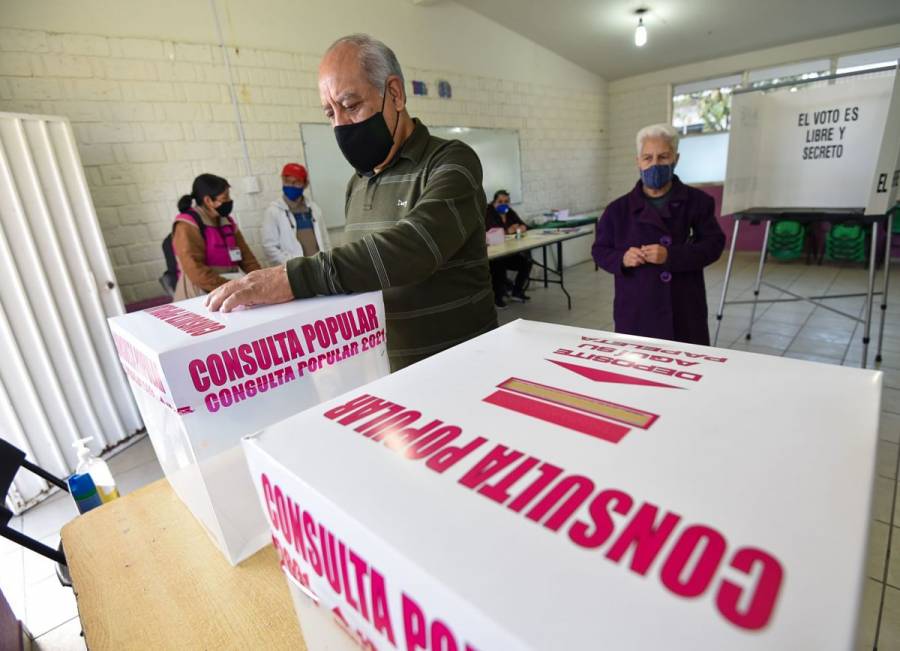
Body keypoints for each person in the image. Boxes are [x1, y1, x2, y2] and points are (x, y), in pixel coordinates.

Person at [207, 34, 496, 371]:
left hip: (465, 365)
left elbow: (415, 248)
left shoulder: (451, 161)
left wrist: (292, 278)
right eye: (330, 113)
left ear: (395, 94)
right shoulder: (356, 184)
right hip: (390, 373)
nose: (340, 125)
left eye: (351, 105)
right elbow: (363, 272)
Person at [592, 123, 725, 345]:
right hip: (636, 309)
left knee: (684, 368)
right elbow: (599, 250)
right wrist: (622, 259)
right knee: (637, 372)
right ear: (638, 161)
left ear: (676, 159)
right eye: (648, 158)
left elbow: (714, 245)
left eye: (663, 157)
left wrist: (670, 256)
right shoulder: (617, 210)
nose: (655, 164)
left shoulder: (698, 202)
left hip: (683, 306)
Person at [171, 173, 260, 301]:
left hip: (229, 285)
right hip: (201, 291)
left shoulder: (227, 222)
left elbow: (248, 260)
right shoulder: (187, 225)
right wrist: (230, 287)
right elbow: (195, 270)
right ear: (208, 201)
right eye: (225, 197)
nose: (229, 201)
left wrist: (262, 280)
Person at [261, 163, 331, 266]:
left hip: (318, 266)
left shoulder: (314, 209)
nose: (291, 186)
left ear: (305, 184)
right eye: (287, 182)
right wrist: (291, 264)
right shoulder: (274, 211)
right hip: (293, 269)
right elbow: (269, 247)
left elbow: (325, 241)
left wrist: (328, 261)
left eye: (296, 182)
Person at [485, 189, 531, 308]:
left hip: (508, 251)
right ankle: (497, 298)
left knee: (526, 262)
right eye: (500, 201)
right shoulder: (488, 212)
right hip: (493, 253)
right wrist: (507, 230)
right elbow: (491, 230)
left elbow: (523, 225)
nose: (503, 204)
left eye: (506, 201)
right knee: (498, 266)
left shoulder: (509, 211)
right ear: (494, 202)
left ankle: (517, 292)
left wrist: (521, 227)